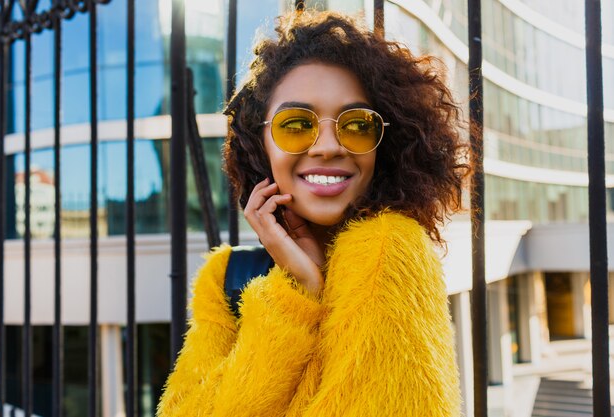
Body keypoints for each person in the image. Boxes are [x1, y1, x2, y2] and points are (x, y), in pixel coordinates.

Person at [157, 9, 470, 417]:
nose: (327, 146)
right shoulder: (226, 277)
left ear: (383, 146)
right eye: (295, 124)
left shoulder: (390, 250)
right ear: (261, 143)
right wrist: (296, 293)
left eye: (356, 125)